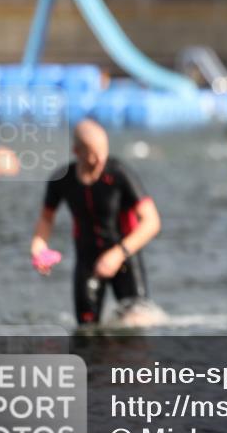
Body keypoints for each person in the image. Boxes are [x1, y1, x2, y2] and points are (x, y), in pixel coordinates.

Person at [30, 119, 161, 325]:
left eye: (103, 151)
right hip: (87, 261)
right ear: (76, 151)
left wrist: (118, 254)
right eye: (93, 153)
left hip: (125, 256)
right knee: (86, 330)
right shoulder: (61, 180)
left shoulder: (120, 174)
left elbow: (152, 222)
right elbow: (46, 219)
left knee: (137, 322)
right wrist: (38, 245)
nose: (100, 159)